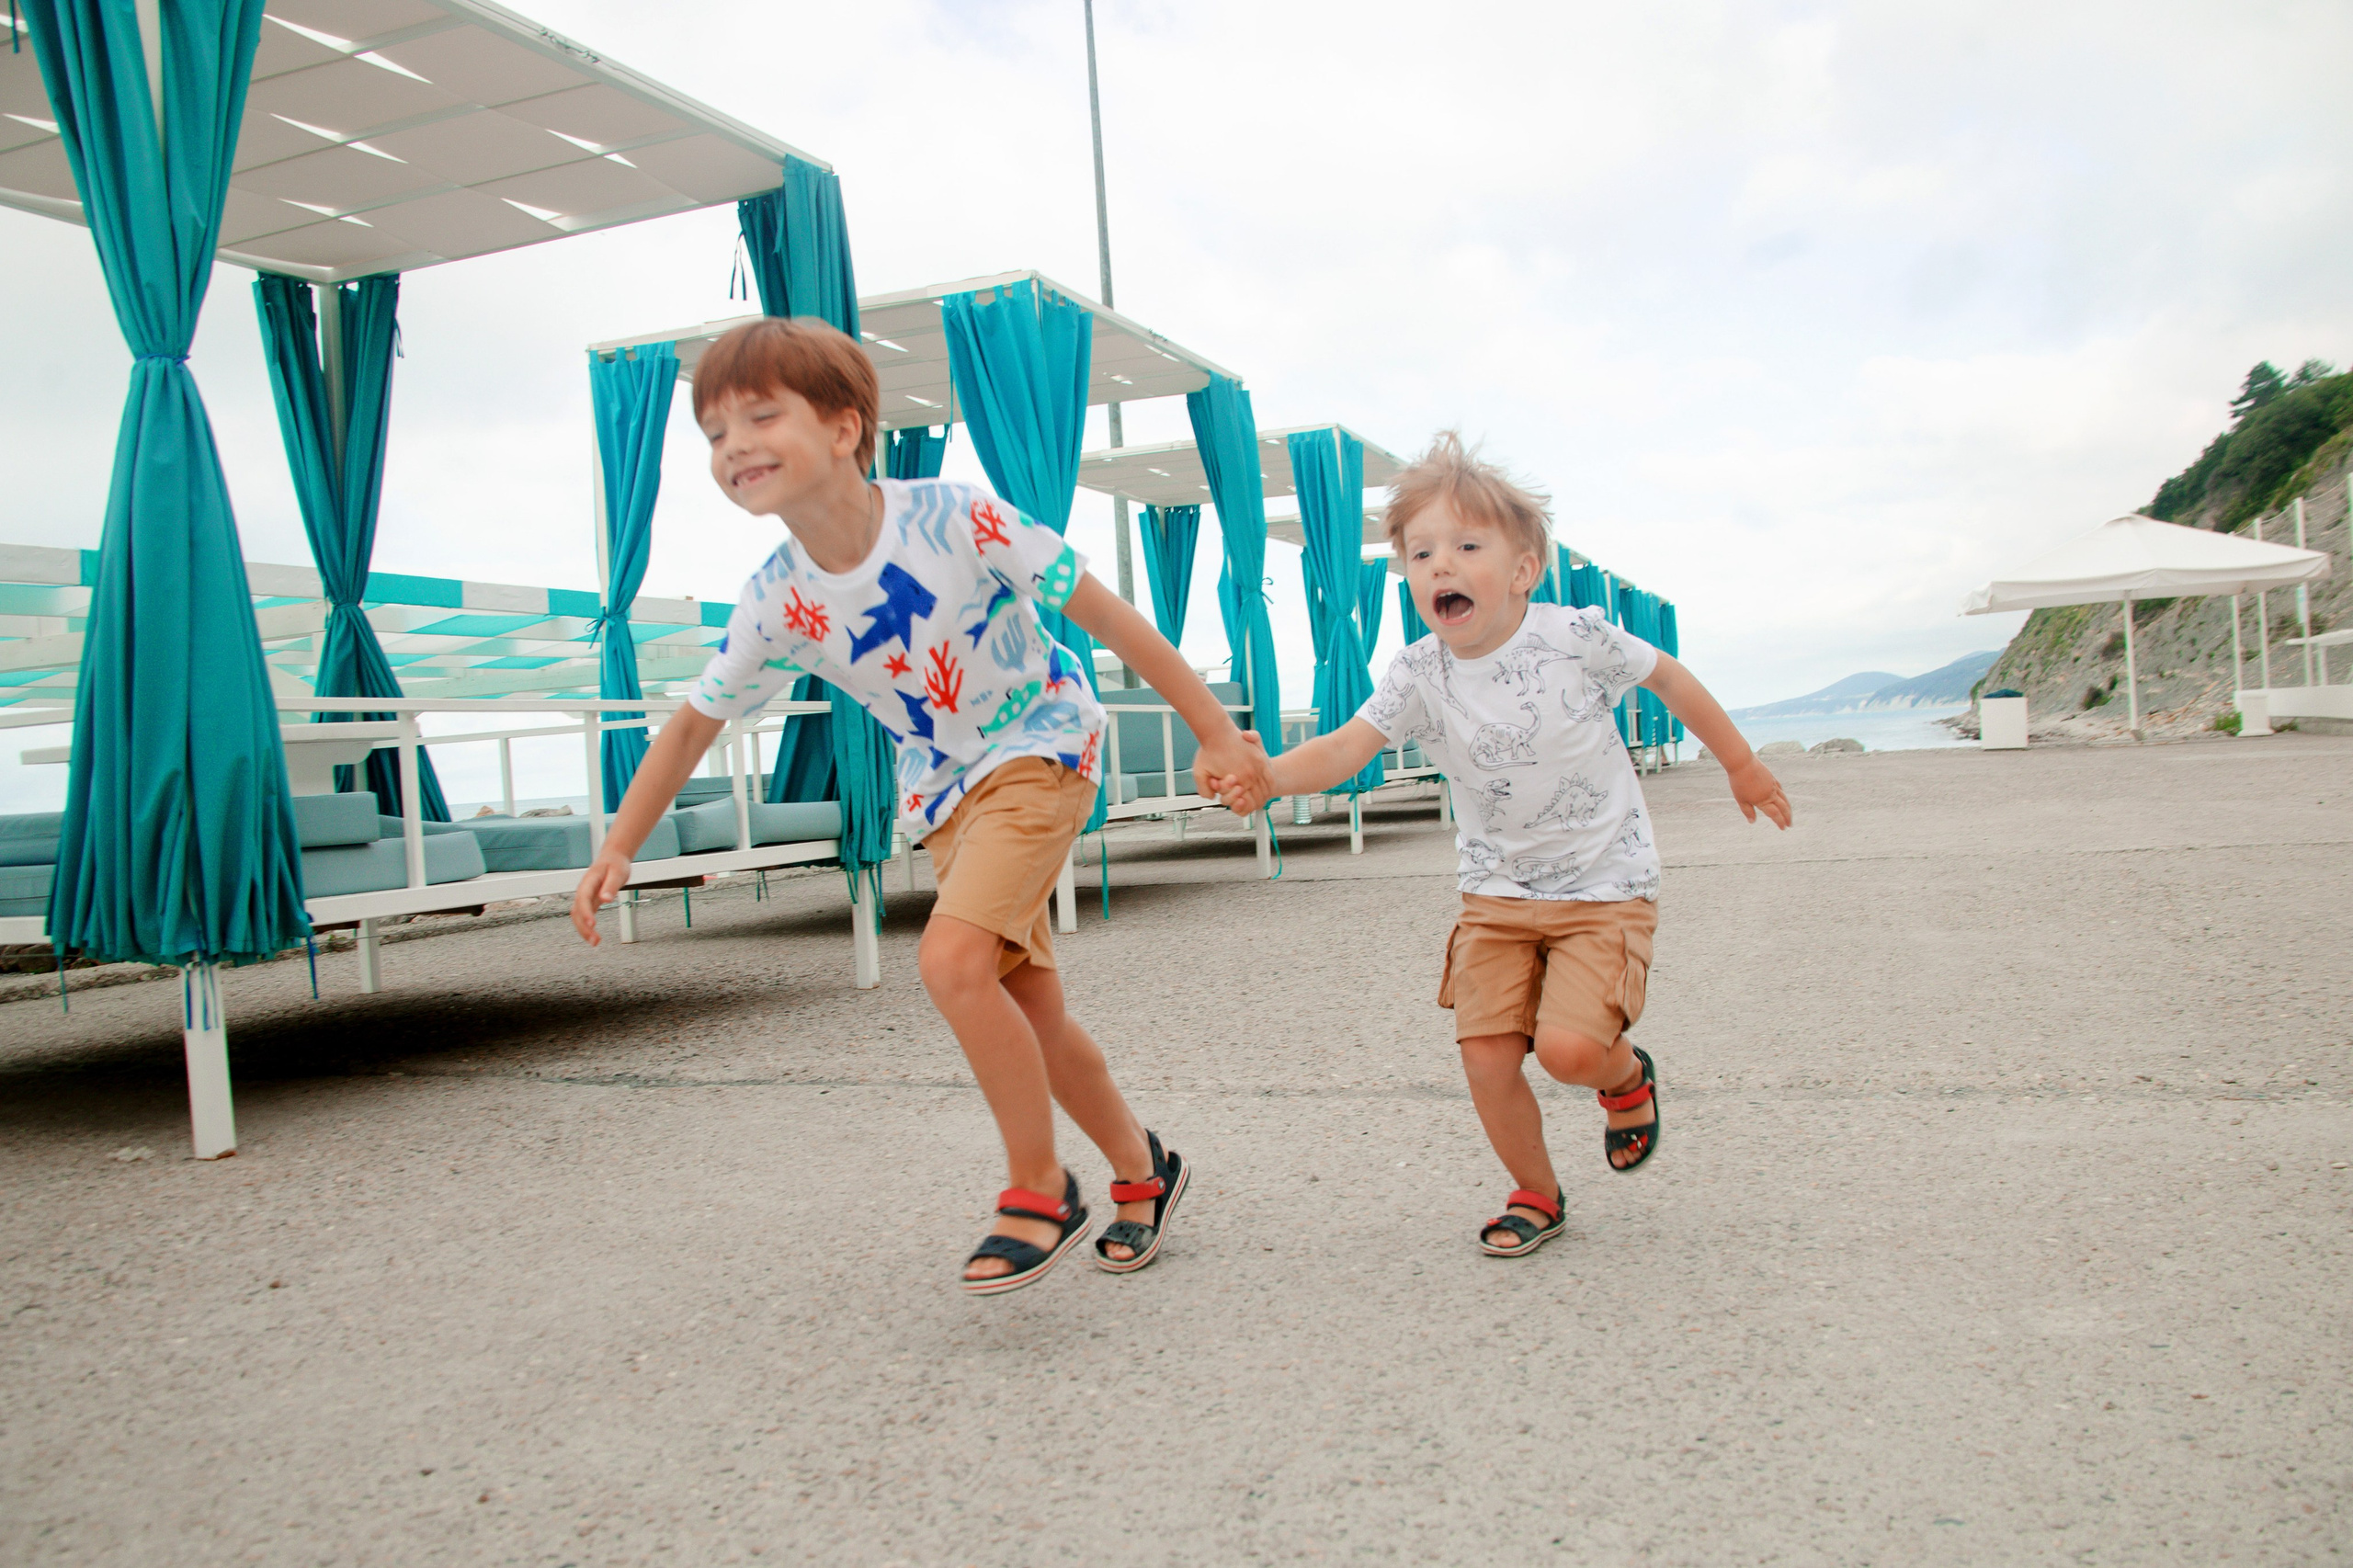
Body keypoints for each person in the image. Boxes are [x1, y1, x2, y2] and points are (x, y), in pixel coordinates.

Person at [570, 318, 1273, 1294]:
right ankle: (1143, 1168)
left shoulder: (956, 516)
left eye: (761, 416)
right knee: (1030, 1013)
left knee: (949, 960)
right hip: (943, 794)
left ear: (845, 427)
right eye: (715, 432)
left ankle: (1039, 1187)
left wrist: (1215, 731)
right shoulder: (774, 599)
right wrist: (620, 845)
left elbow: (1107, 615)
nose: (734, 446)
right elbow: (693, 725)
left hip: (1041, 743)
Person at [1207, 432, 1790, 1256]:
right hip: (1496, 894)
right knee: (1485, 1056)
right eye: (1421, 554)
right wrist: (1269, 776)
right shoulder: (1418, 672)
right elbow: (1346, 747)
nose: (1440, 565)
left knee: (1569, 1052)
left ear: (1522, 570)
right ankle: (1536, 1194)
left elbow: (1668, 677)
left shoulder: (1574, 637)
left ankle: (1626, 1078)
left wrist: (1741, 762)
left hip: (1604, 886)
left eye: (1467, 547)